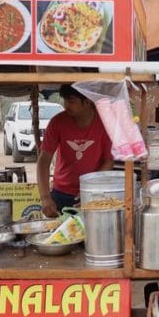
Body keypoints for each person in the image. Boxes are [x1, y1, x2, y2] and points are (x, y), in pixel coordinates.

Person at [37, 84, 113, 217]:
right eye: (65, 100)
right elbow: (43, 161)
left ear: (87, 102)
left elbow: (108, 162)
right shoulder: (57, 122)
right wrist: (45, 198)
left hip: (93, 192)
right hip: (61, 193)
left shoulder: (105, 124)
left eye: (71, 101)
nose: (66, 105)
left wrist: (90, 190)